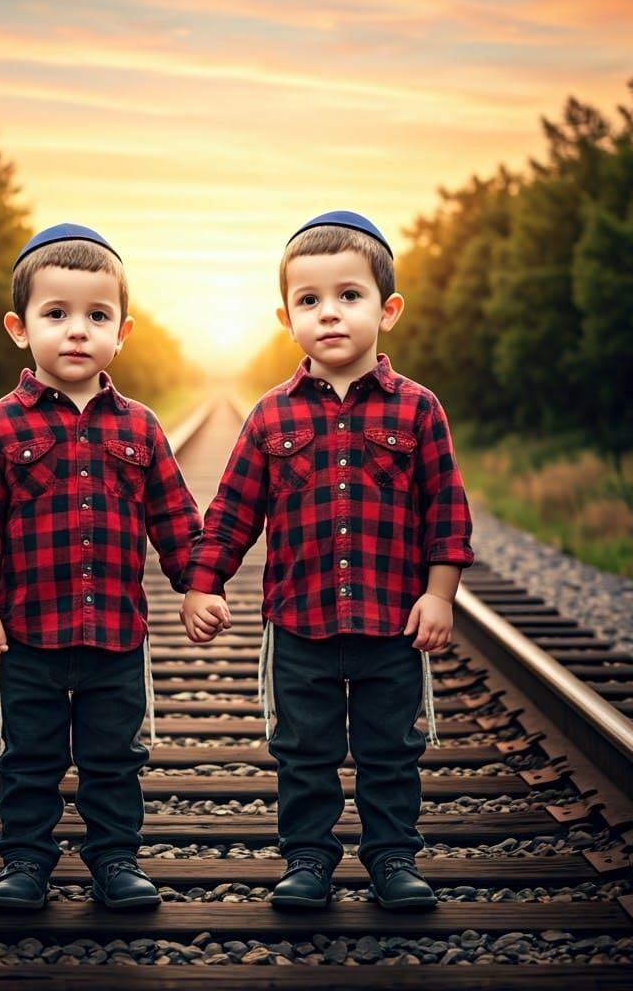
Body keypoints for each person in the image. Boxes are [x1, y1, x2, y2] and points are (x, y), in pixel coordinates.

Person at [180, 210, 474, 910]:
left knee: (389, 751)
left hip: (390, 625)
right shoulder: (271, 415)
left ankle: (392, 859)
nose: (330, 315)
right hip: (301, 626)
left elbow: (447, 513)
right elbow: (231, 513)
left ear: (388, 309)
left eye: (349, 296)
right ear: (287, 317)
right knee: (303, 754)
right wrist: (202, 583)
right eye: (309, 301)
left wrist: (439, 596)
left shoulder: (418, 411)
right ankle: (308, 860)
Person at [0, 223, 202, 911]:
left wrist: (198, 583)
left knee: (114, 760)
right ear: (19, 327)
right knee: (27, 758)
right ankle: (26, 863)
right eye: (55, 314)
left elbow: (174, 518)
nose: (77, 331)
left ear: (122, 332)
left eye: (97, 316)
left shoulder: (140, 427)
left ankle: (115, 861)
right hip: (29, 636)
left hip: (116, 638)